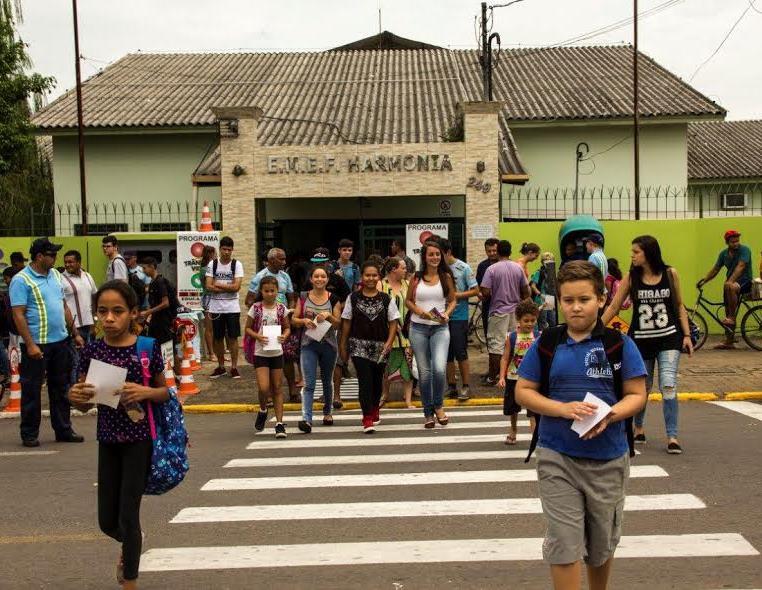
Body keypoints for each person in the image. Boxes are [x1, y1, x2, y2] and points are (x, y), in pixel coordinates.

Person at [516, 261, 647, 590]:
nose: (575, 307)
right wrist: (561, 408)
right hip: (556, 456)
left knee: (601, 546)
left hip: (608, 460)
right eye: (568, 300)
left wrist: (610, 415)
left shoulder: (619, 344)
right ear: (559, 300)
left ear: (602, 299)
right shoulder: (548, 343)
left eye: (584, 299)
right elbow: (523, 391)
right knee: (563, 543)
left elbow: (637, 395)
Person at [68, 280, 169, 590]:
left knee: (128, 514)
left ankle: (130, 580)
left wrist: (146, 391)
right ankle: (132, 543)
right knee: (107, 522)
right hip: (108, 439)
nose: (109, 318)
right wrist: (76, 398)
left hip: (140, 441)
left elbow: (166, 392)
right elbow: (84, 402)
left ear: (133, 314)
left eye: (117, 311)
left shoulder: (147, 348)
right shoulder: (92, 351)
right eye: (102, 311)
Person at [602, 235, 693, 454]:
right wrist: (594, 330)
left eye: (636, 252)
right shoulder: (631, 278)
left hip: (669, 338)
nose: (632, 256)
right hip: (640, 342)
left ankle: (672, 436)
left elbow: (679, 305)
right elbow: (614, 307)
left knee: (669, 384)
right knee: (642, 387)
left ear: (649, 253)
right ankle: (639, 428)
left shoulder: (670, 274)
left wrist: (687, 335)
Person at [10, 238, 85, 447]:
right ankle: (29, 433)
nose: (55, 258)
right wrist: (31, 344)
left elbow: (64, 306)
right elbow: (19, 315)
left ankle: (63, 429)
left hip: (60, 342)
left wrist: (75, 333)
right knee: (32, 390)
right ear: (39, 256)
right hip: (37, 345)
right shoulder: (21, 280)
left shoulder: (54, 275)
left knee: (61, 388)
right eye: (51, 254)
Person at [340, 260, 399, 433]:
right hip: (358, 345)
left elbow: (393, 322)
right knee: (364, 381)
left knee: (376, 381)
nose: (371, 278)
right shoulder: (353, 298)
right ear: (362, 277)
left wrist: (389, 342)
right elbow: (346, 322)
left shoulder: (386, 299)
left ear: (378, 277)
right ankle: (367, 417)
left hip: (381, 346)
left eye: (374, 275)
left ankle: (375, 408)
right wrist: (343, 344)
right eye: (367, 275)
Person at [406, 240, 456, 428]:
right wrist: (420, 312)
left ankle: (439, 406)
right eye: (431, 254)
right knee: (425, 374)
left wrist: (446, 314)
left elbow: (452, 301)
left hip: (440, 328)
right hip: (418, 328)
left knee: (439, 369)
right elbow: (408, 301)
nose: (434, 257)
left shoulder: (446, 276)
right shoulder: (416, 278)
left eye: (437, 254)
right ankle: (428, 412)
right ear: (424, 257)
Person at [291, 265, 342, 432]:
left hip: (328, 345)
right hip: (308, 345)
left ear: (327, 279)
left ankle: (328, 412)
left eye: (323, 276)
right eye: (316, 276)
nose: (320, 279)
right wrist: (304, 321)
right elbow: (293, 319)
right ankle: (306, 418)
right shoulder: (303, 297)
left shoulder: (334, 298)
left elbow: (338, 324)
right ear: (311, 279)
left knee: (327, 380)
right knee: (310, 383)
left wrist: (329, 316)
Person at [246, 248, 298, 400]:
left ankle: (292, 387)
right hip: (266, 322)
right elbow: (248, 300)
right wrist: (261, 309)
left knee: (287, 354)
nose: (284, 262)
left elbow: (291, 296)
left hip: (283, 318)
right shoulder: (260, 277)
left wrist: (290, 309)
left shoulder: (285, 276)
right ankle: (267, 392)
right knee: (268, 354)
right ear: (272, 260)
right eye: (281, 259)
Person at [480, 240, 530, 385]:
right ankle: (512, 374)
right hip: (515, 312)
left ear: (498, 252)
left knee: (496, 345)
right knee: (514, 343)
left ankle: (493, 376)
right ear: (510, 252)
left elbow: (485, 291)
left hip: (498, 312)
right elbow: (526, 290)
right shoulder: (518, 268)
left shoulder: (492, 269)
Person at [246, 276, 291, 439]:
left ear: (277, 291)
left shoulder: (281, 308)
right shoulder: (256, 308)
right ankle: (263, 409)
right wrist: (257, 337)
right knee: (264, 388)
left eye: (273, 291)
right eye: (266, 291)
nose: (270, 294)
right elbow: (247, 329)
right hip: (261, 352)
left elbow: (287, 327)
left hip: (276, 352)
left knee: (277, 387)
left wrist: (284, 336)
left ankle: (279, 423)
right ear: (261, 291)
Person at [697, 230, 753, 348]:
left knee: (730, 287)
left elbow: (741, 266)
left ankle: (732, 318)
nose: (736, 243)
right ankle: (729, 340)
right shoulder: (724, 254)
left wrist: (730, 281)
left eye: (737, 241)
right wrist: (705, 280)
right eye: (733, 242)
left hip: (745, 281)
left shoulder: (745, 250)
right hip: (730, 284)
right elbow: (716, 269)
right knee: (727, 309)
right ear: (727, 242)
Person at [498, 299, 540, 444]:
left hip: (532, 378)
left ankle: (535, 435)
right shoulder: (512, 337)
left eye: (533, 320)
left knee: (534, 409)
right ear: (518, 320)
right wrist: (502, 377)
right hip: (513, 377)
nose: (529, 324)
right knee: (513, 407)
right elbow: (505, 358)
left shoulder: (538, 336)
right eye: (526, 320)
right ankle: (513, 429)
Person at [442, 239, 479, 401]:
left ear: (448, 252)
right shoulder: (436, 270)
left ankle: (465, 386)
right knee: (446, 354)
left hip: (458, 317)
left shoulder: (463, 268)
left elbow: (475, 290)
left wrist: (456, 295)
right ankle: (451, 386)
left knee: (460, 352)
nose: (436, 257)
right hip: (441, 318)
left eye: (439, 254)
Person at [205, 236, 244, 379]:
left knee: (233, 338)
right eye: (224, 249)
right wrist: (228, 287)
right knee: (218, 338)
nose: (226, 252)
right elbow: (208, 286)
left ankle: (234, 367)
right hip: (216, 308)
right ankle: (221, 367)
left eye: (229, 249)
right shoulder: (212, 264)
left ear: (232, 250)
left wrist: (218, 284)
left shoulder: (237, 264)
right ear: (220, 249)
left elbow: (236, 287)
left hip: (232, 307)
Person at [379, 257, 414, 408]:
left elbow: (413, 304)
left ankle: (408, 399)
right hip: (388, 333)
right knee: (386, 366)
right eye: (403, 267)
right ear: (394, 269)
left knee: (408, 365)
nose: (406, 270)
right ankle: (385, 394)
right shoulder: (381, 285)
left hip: (407, 332)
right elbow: (379, 306)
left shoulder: (408, 284)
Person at [62, 250, 98, 386]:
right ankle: (75, 394)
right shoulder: (61, 279)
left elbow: (94, 296)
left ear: (79, 262)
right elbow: (62, 305)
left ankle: (89, 390)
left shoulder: (87, 276)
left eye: (70, 262)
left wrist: (94, 320)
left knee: (90, 360)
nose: (67, 265)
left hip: (89, 326)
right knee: (76, 361)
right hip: (73, 327)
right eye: (65, 262)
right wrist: (73, 331)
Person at [139, 257, 178, 352]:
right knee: (155, 347)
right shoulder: (152, 283)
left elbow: (165, 303)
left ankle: (172, 366)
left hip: (164, 321)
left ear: (152, 267)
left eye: (144, 268)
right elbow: (154, 303)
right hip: (156, 321)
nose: (143, 271)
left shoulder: (160, 282)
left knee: (169, 350)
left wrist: (148, 312)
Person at [476, 238, 500, 360]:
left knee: (504, 340)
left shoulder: (507, 264)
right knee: (489, 339)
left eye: (494, 250)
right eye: (489, 251)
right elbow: (478, 286)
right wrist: (479, 293)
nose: (491, 253)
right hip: (487, 307)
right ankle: (492, 370)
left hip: (503, 309)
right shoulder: (482, 266)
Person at [530, 252, 557, 331]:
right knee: (543, 320)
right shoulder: (539, 272)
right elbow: (533, 285)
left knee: (552, 319)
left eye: (550, 260)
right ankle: (543, 338)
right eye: (546, 260)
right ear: (542, 262)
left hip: (550, 298)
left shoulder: (551, 273)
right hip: (541, 299)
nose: (548, 262)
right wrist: (539, 294)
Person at [199, 245, 217, 361]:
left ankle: (216, 351)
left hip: (217, 298)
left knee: (216, 327)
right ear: (209, 254)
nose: (216, 256)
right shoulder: (205, 269)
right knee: (209, 327)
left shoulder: (214, 268)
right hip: (209, 299)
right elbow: (209, 286)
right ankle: (211, 353)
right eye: (214, 253)